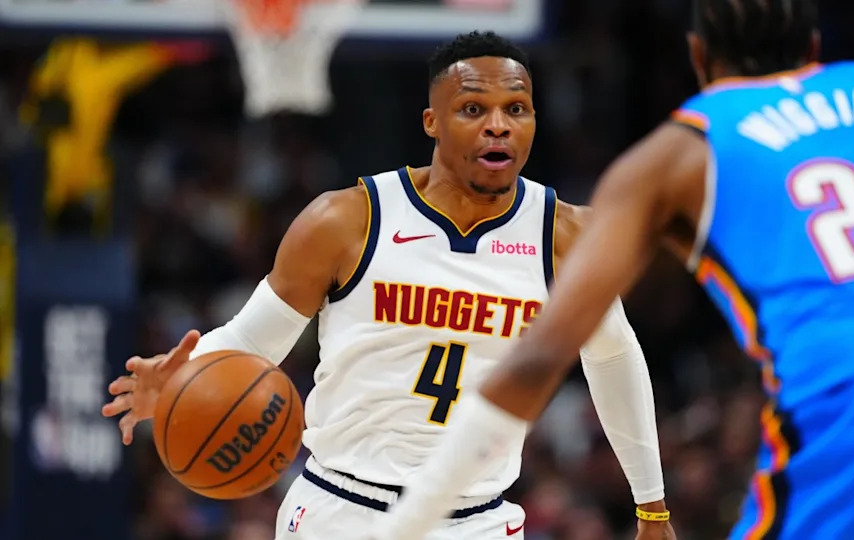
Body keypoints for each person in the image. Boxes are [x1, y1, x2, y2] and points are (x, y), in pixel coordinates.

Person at [373, 1, 854, 539]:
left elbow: (537, 359)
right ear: (813, 47)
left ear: (698, 56)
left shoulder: (679, 153)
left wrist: (406, 527)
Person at [101, 31, 672, 540]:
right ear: (432, 122)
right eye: (473, 108)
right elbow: (252, 344)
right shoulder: (345, 220)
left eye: (515, 109)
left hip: (479, 519)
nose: (498, 124)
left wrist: (651, 507)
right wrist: (181, 383)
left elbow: (614, 355)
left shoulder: (564, 236)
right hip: (342, 511)